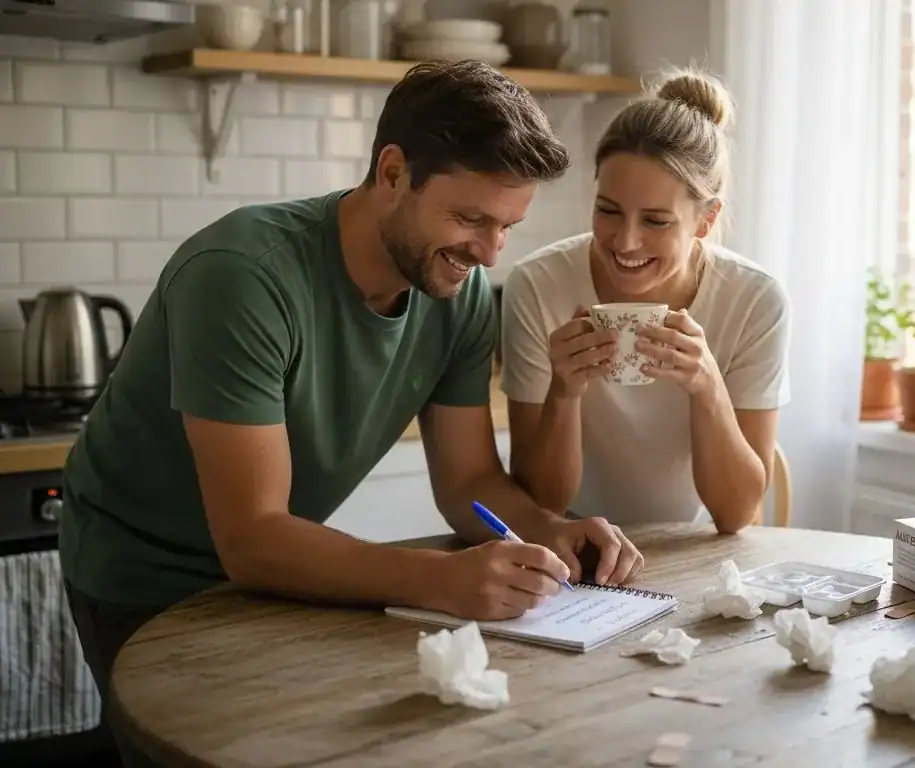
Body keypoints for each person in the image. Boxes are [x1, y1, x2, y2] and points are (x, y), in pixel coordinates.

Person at [58, 60, 645, 761]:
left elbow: (468, 486)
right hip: (141, 574)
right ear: (392, 173)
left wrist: (556, 532)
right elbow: (252, 539)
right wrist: (439, 578)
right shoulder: (241, 277)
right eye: (468, 218)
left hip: (273, 573)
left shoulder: (455, 294)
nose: (488, 253)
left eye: (506, 226)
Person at [499, 69, 790, 534]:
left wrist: (707, 387)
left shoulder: (754, 300)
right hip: (578, 542)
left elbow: (735, 515)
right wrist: (564, 392)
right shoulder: (539, 285)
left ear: (705, 221)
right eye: (608, 210)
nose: (626, 242)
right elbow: (542, 503)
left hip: (696, 546)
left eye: (655, 221)